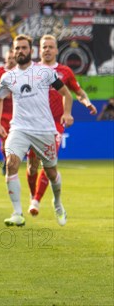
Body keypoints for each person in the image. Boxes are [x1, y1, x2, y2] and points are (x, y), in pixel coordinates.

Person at [0, 34, 74, 228]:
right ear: (13, 51)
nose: (20, 51)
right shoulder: (8, 77)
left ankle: (58, 203)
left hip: (44, 129)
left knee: (51, 172)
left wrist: (67, 113)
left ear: (31, 50)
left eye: (23, 48)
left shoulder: (45, 72)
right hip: (19, 128)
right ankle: (17, 213)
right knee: (11, 163)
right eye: (17, 48)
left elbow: (66, 94)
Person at [26, 35, 97, 216]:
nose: (47, 50)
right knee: (32, 166)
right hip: (33, 124)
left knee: (48, 163)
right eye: (44, 47)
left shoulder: (65, 71)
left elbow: (78, 93)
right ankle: (33, 195)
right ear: (39, 50)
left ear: (57, 50)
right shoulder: (32, 70)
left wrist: (87, 102)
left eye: (51, 46)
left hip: (55, 126)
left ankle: (36, 201)